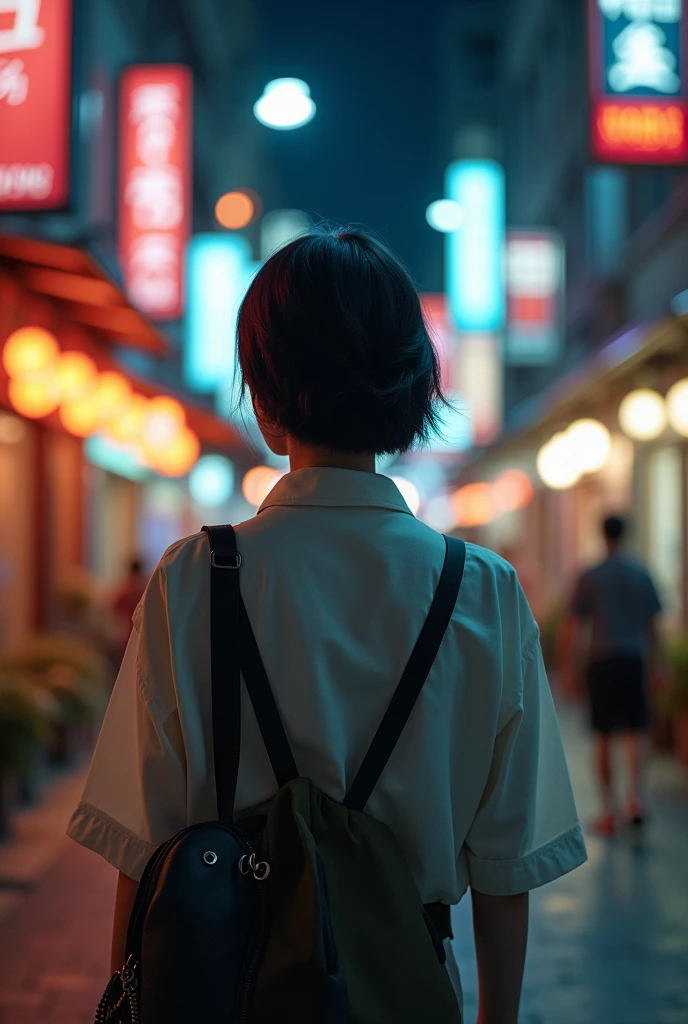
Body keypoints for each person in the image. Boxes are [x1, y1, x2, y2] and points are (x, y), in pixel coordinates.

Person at [67, 229, 587, 1024]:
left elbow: (144, 845)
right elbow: (508, 864)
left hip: (223, 988)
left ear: (264, 394)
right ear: (413, 388)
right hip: (408, 986)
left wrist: (124, 1002)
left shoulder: (193, 579)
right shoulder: (480, 590)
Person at [564, 515, 666, 836]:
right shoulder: (641, 572)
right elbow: (654, 624)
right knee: (637, 730)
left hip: (601, 659)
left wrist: (570, 667)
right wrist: (659, 663)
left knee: (604, 734)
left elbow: (576, 626)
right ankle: (637, 799)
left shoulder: (591, 575)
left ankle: (610, 810)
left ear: (602, 534)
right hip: (633, 657)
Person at [111, 557, 147, 665]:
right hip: (144, 634)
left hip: (127, 634)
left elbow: (115, 615)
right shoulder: (145, 590)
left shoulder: (124, 592)